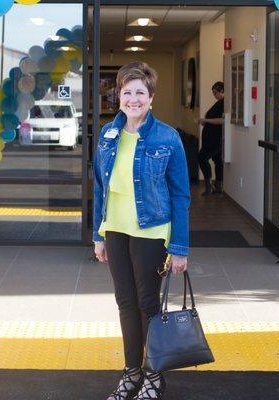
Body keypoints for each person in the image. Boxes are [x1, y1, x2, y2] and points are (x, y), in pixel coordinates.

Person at [93, 61, 190, 400]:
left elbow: (180, 194)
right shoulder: (108, 135)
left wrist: (179, 246)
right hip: (115, 229)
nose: (133, 98)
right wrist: (98, 234)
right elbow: (99, 189)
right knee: (125, 302)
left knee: (148, 303)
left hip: (152, 230)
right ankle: (131, 371)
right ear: (118, 95)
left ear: (151, 97)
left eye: (140, 93)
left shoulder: (167, 136)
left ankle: (153, 375)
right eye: (127, 92)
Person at [198, 81, 224, 196]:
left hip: (215, 139)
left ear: (222, 91)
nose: (214, 95)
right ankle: (218, 187)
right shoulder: (219, 103)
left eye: (215, 92)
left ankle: (209, 187)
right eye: (213, 92)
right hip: (211, 138)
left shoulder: (224, 103)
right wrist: (205, 122)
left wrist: (206, 121)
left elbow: (222, 121)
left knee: (202, 158)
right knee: (217, 161)